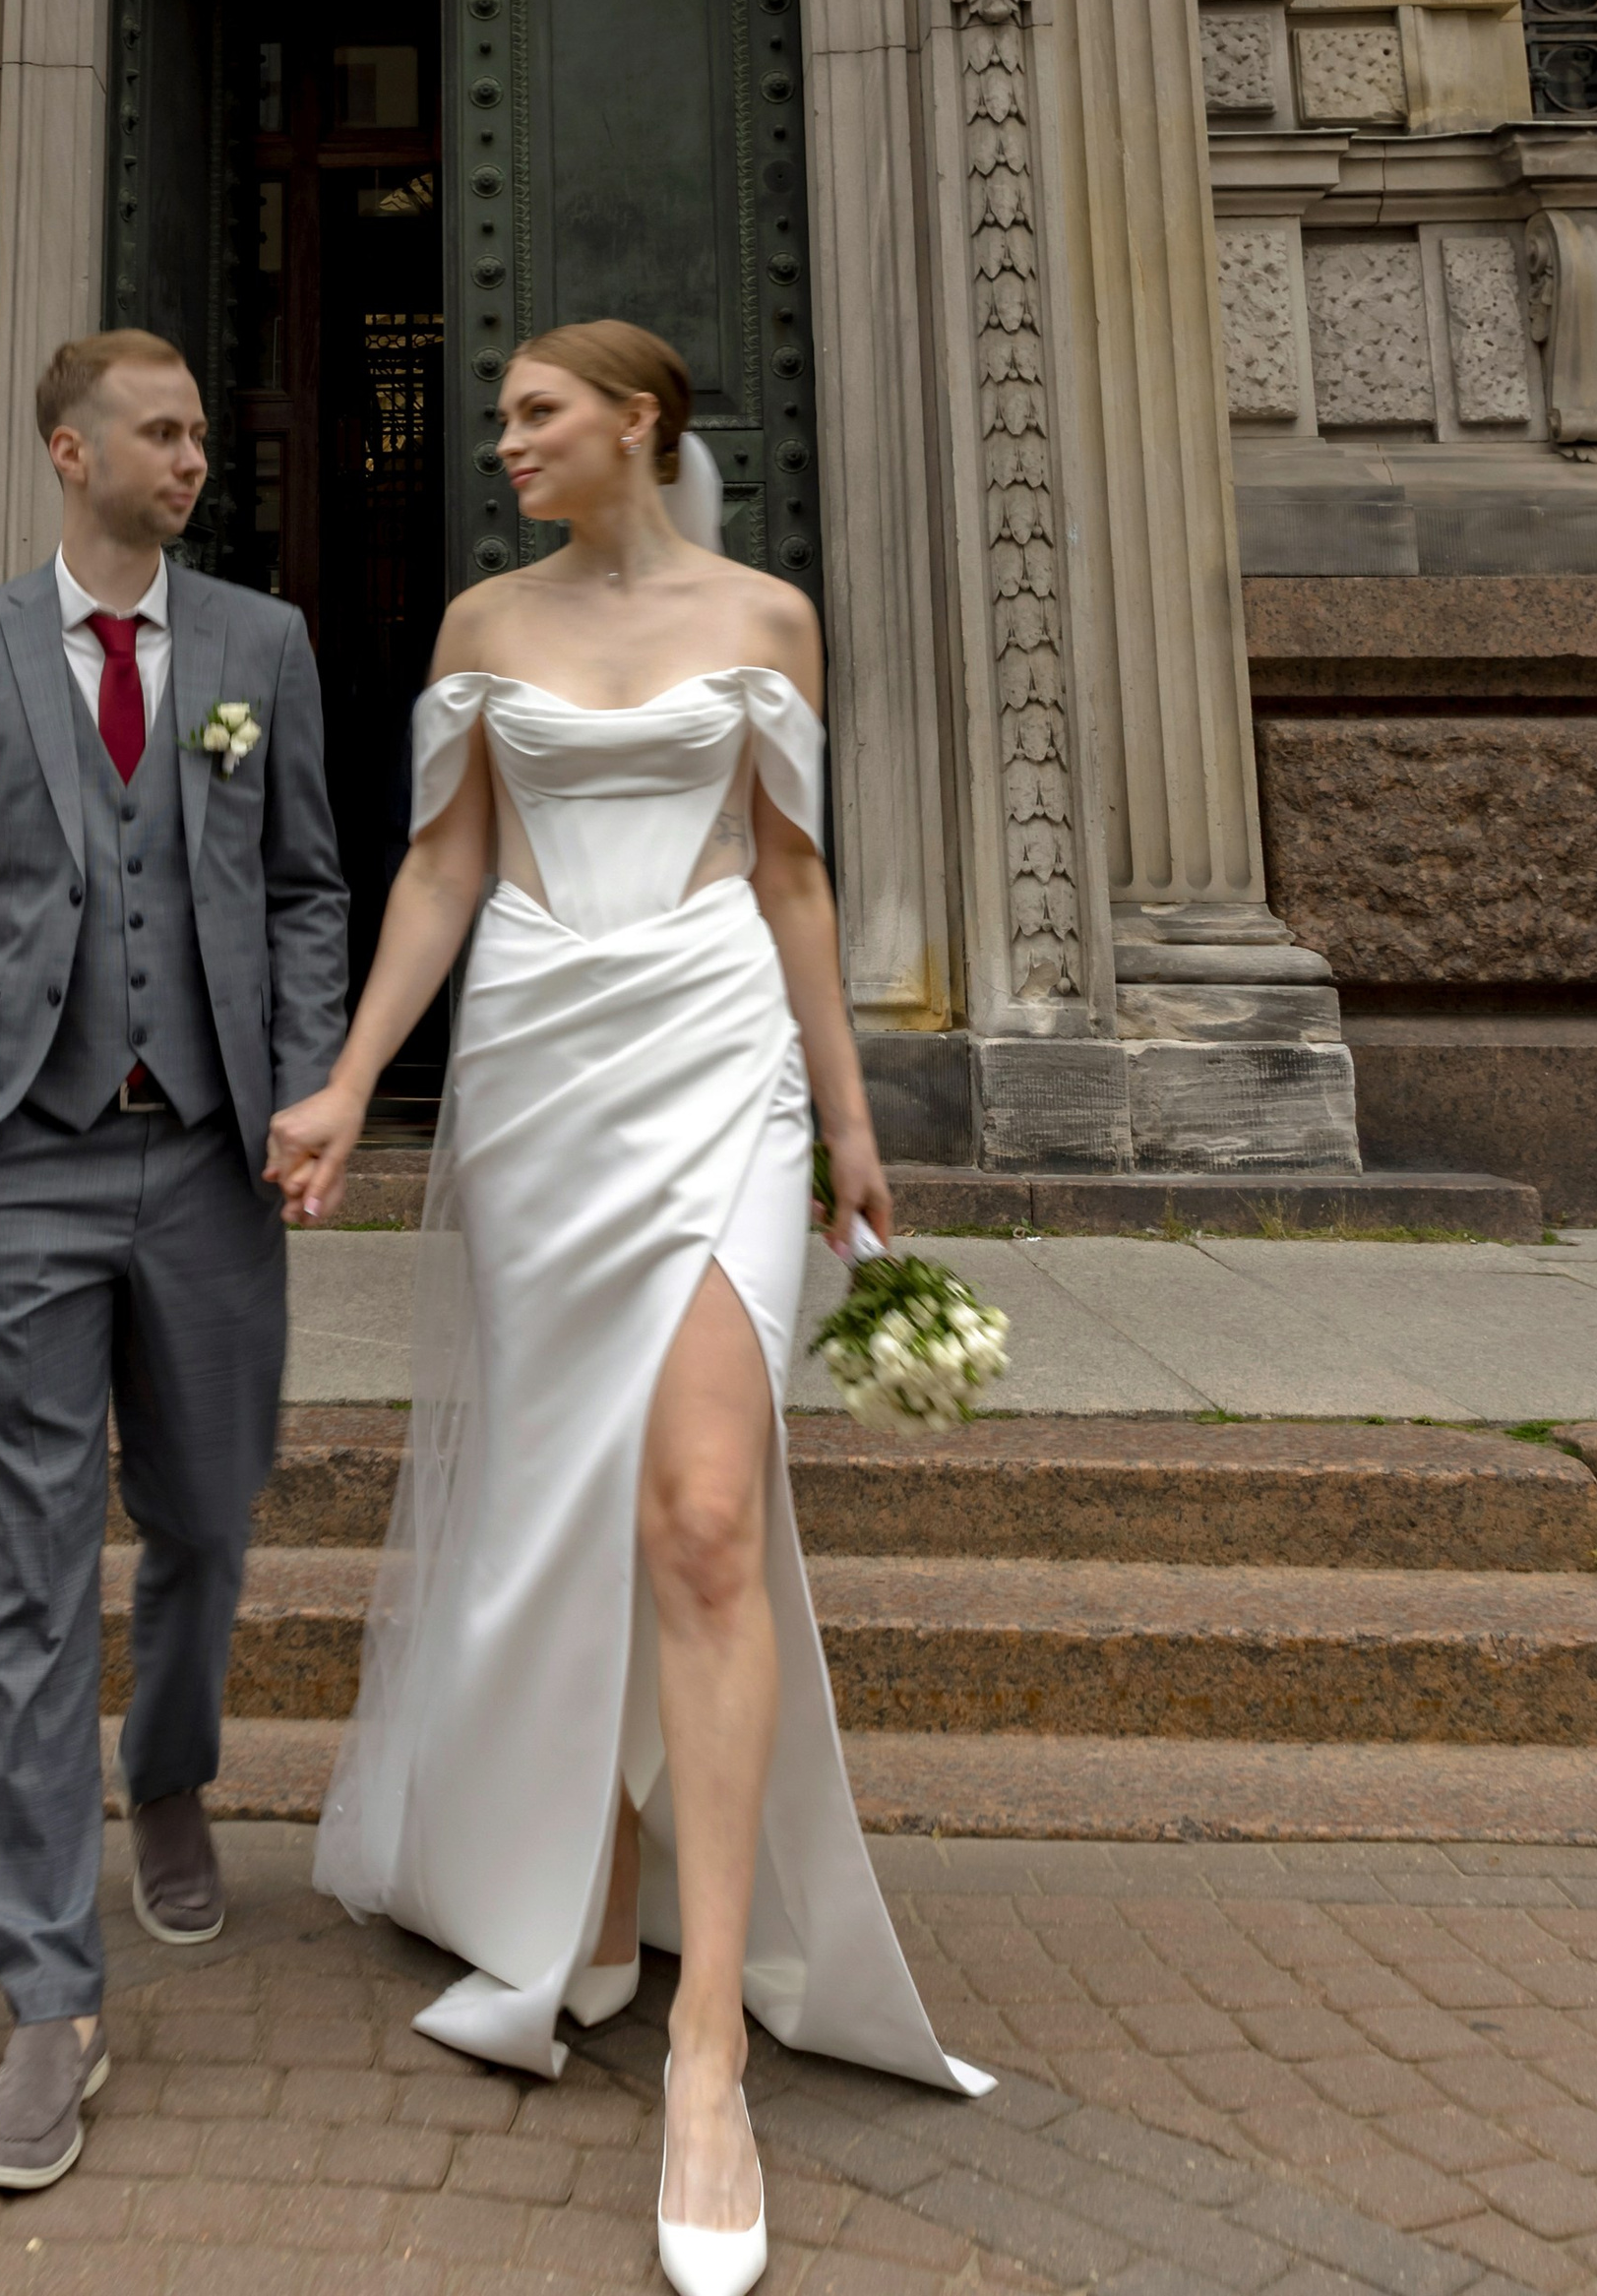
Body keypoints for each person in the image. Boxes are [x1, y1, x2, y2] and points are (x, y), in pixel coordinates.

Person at [269, 320, 988, 2296]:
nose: (498, 440)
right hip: (535, 1075)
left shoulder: (767, 609)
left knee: (695, 1511)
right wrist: (346, 1082)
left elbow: (790, 877)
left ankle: (702, 2049)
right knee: (566, 1499)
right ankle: (577, 1890)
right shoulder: (480, 619)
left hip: (717, 1063)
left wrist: (847, 1127)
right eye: (503, 416)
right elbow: (442, 866)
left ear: (636, 424)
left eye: (529, 412)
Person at [0, 329, 349, 2199]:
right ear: (69, 445)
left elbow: (309, 881)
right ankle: (48, 1994)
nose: (196, 459)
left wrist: (304, 1081)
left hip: (212, 1156)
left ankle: (168, 1770)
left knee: (216, 1512)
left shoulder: (264, 647)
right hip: (27, 1163)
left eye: (201, 434)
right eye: (163, 432)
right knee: (27, 1565)